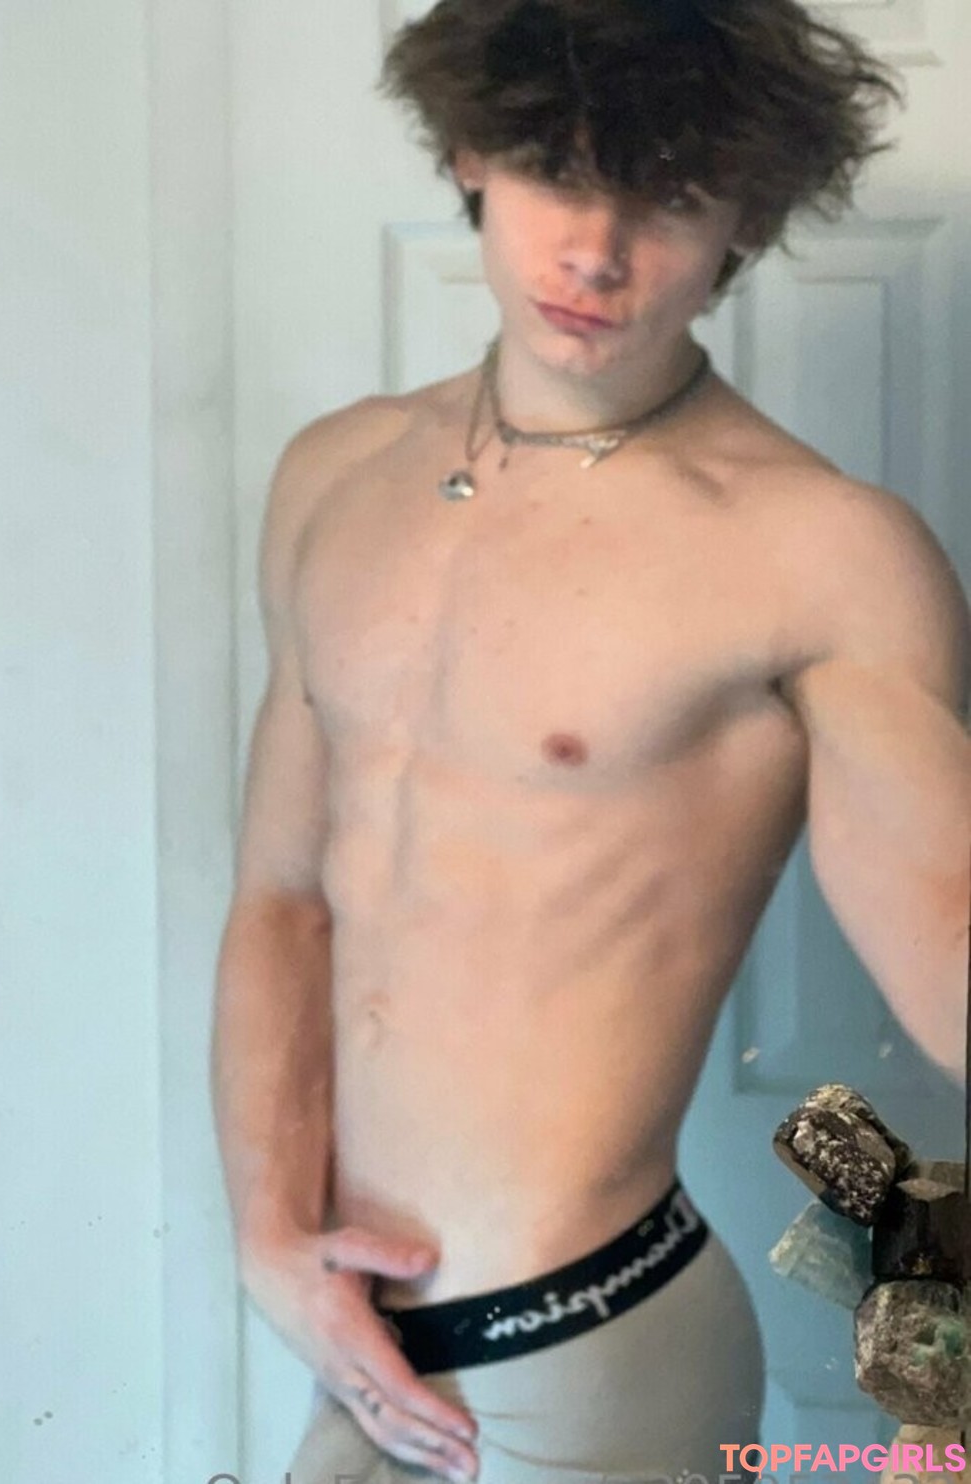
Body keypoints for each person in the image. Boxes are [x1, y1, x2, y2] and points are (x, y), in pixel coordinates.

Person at [210, 2, 971, 1481]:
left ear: (748, 216)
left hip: (588, 1339)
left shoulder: (819, 551)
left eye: (669, 195)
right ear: (468, 150)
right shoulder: (336, 476)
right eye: (560, 172)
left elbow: (945, 927)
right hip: (341, 1327)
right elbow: (285, 898)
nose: (598, 253)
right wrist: (267, 1236)